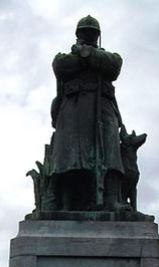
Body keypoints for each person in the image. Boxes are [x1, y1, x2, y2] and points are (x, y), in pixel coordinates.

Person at [49, 15, 127, 211]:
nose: (88, 35)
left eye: (91, 33)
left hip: (103, 109)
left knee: (110, 153)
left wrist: (85, 54)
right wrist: (92, 60)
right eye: (84, 32)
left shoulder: (111, 57)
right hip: (73, 110)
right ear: (78, 35)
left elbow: (114, 67)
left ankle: (111, 199)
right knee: (71, 157)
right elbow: (61, 67)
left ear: (98, 35)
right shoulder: (64, 58)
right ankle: (68, 202)